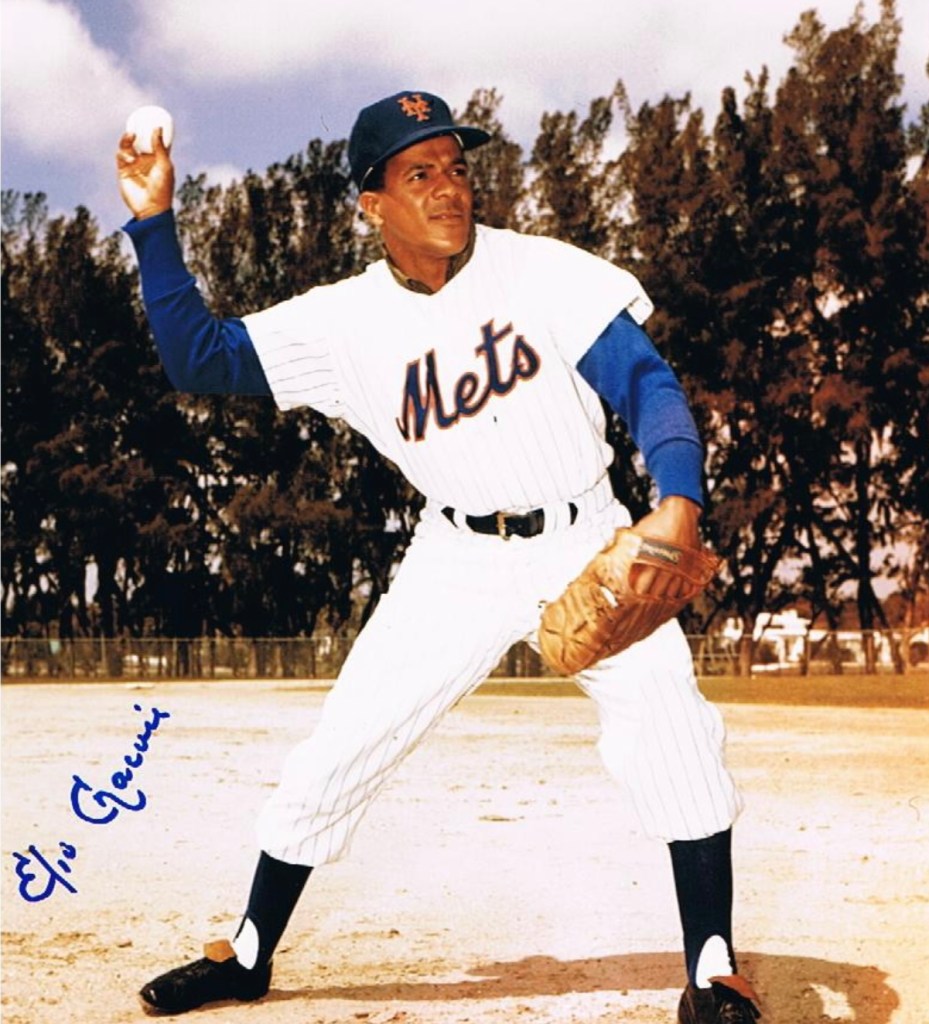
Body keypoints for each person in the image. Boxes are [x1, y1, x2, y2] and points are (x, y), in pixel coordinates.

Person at [117, 90, 760, 1023]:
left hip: (582, 535)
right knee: (346, 742)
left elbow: (645, 384)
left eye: (456, 167)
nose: (448, 188)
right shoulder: (342, 322)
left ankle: (710, 967)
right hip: (454, 556)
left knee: (671, 724)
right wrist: (153, 221)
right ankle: (248, 953)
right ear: (371, 203)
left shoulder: (540, 271)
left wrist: (678, 500)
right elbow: (198, 358)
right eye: (418, 173)